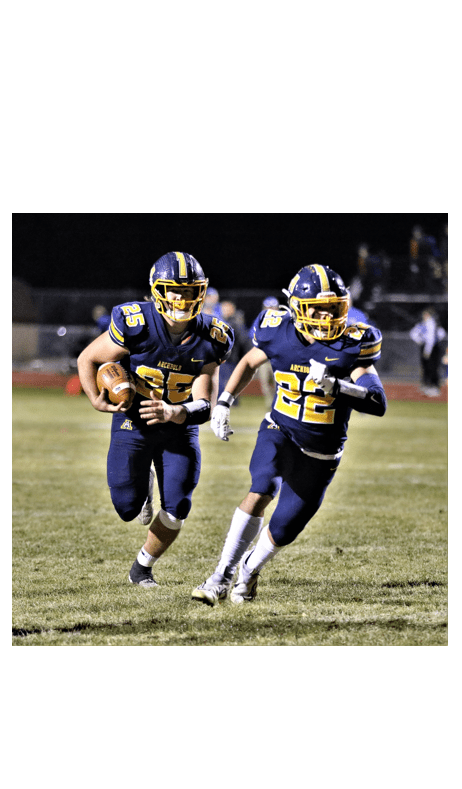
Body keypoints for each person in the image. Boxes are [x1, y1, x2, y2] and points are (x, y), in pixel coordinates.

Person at [192, 264, 387, 606]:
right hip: (279, 429)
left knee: (284, 529)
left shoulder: (352, 343)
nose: (327, 316)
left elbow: (377, 401)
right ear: (298, 307)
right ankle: (220, 576)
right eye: (318, 309)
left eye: (334, 308)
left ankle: (249, 570)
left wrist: (338, 387)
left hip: (322, 451)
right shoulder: (277, 330)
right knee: (261, 486)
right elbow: (249, 362)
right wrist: (224, 401)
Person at [77, 252, 234, 587]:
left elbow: (205, 404)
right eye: (174, 289)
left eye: (189, 290)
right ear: (158, 290)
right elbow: (88, 358)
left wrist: (176, 412)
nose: (182, 297)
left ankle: (142, 568)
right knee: (126, 508)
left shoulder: (213, 336)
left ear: (201, 292)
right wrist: (95, 398)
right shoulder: (135, 321)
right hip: (134, 421)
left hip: (179, 428)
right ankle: (143, 485)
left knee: (178, 506)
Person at [218, 301, 252, 403]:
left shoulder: (235, 324)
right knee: (224, 381)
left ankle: (231, 402)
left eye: (227, 309)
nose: (224, 311)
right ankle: (228, 401)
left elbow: (243, 340)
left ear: (232, 310)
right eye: (223, 309)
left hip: (231, 358)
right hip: (224, 358)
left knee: (228, 381)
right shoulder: (222, 321)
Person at [409, 308, 447, 396]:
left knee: (432, 367)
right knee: (426, 367)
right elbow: (413, 333)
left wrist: (427, 351)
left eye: (426, 315)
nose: (424, 316)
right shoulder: (423, 324)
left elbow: (431, 339)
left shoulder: (431, 323)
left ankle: (434, 386)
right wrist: (420, 341)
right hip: (427, 347)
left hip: (431, 348)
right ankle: (427, 385)